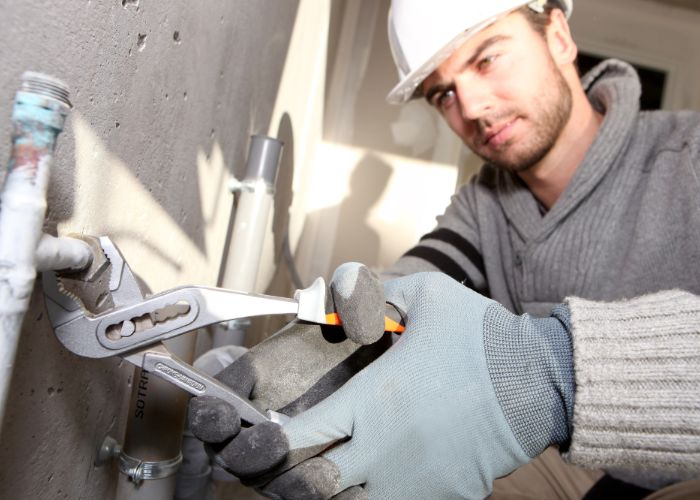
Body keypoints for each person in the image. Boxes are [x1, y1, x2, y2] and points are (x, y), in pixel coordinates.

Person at [188, 1, 700, 498]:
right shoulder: (484, 207)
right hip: (571, 470)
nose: (472, 107)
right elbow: (413, 284)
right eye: (443, 94)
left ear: (559, 37)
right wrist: (333, 354)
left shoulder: (689, 157)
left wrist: (556, 368)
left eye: (487, 58)